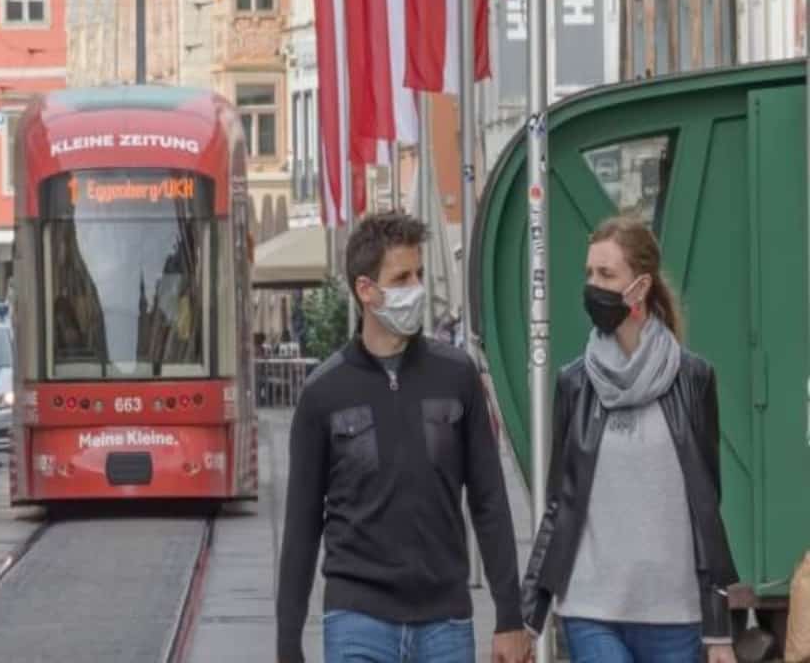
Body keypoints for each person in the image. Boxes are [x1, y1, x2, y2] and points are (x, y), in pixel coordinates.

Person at [276, 212, 528, 663]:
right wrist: (288, 642)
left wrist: (509, 615)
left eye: (419, 274)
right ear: (366, 290)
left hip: (445, 620)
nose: (416, 288)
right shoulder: (323, 394)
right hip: (357, 618)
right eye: (402, 277)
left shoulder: (457, 375)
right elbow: (301, 526)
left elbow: (490, 499)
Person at [521, 216, 739, 663]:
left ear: (639, 287)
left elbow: (706, 509)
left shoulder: (693, 379)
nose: (592, 285)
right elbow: (560, 504)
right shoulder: (574, 383)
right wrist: (528, 615)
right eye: (589, 273)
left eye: (606, 274)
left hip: (674, 613)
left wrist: (719, 631)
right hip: (590, 606)